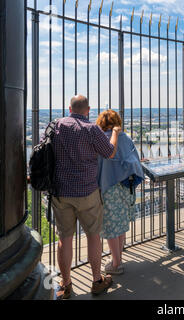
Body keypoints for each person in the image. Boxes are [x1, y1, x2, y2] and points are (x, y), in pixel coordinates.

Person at [50, 95, 121, 299]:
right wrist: (115, 133)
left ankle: (65, 284)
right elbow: (109, 152)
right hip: (88, 192)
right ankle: (97, 280)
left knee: (64, 239)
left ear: (69, 108)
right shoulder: (92, 129)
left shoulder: (57, 125)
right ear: (88, 110)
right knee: (93, 236)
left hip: (61, 191)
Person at [96, 110, 144, 275]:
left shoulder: (102, 140)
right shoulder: (126, 138)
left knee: (110, 227)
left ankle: (116, 264)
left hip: (109, 187)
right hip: (127, 186)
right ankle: (118, 257)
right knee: (121, 224)